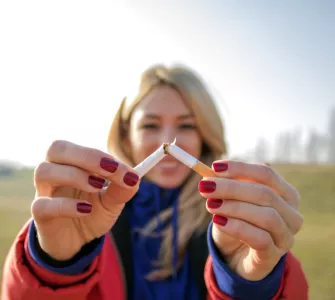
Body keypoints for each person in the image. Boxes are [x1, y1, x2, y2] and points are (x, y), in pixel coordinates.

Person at [1, 64, 308, 300]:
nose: (167, 142)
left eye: (186, 125)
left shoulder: (237, 219)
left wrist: (250, 282)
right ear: (125, 136)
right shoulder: (87, 212)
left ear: (205, 136)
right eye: (150, 125)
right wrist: (54, 265)